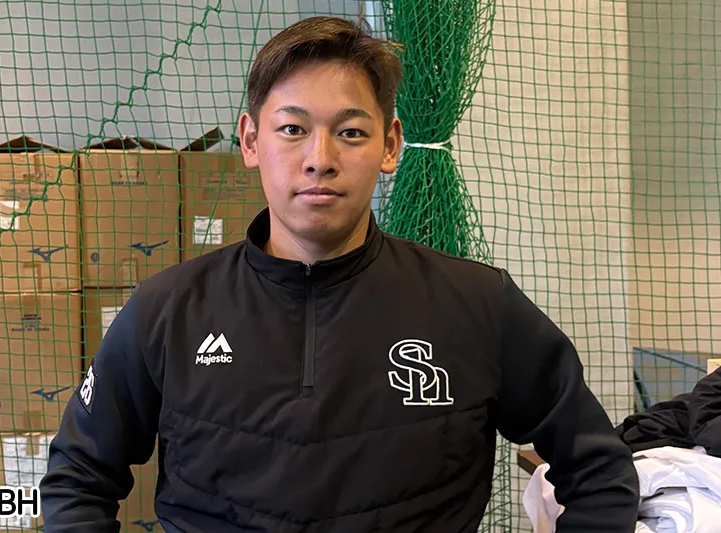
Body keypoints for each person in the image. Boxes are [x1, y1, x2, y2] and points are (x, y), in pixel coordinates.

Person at [39, 15, 639, 533]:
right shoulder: (167, 309)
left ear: (390, 145)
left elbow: (599, 470)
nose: (320, 159)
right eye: (292, 129)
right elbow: (78, 477)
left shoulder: (479, 303)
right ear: (250, 141)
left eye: (351, 132)